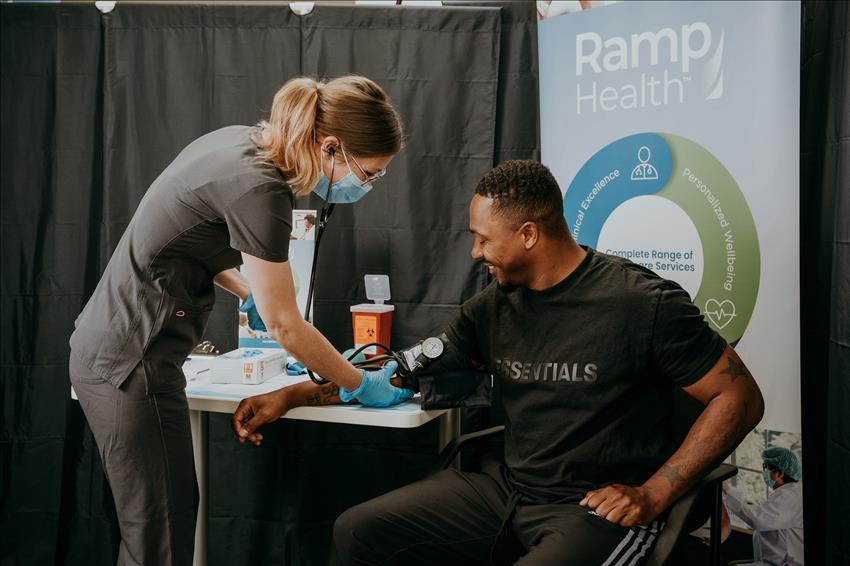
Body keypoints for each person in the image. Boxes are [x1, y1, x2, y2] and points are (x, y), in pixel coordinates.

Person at [231, 160, 766, 565]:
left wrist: (656, 492)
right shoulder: (492, 307)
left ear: (529, 233)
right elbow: (396, 373)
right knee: (357, 529)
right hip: (508, 489)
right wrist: (294, 395)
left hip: (597, 506)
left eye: (483, 238)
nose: (474, 253)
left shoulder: (641, 303)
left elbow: (739, 397)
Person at [68, 75, 413, 566]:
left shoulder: (241, 143)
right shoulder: (262, 189)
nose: (369, 185)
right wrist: (359, 382)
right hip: (131, 360)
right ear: (332, 147)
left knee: (164, 519)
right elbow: (286, 327)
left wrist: (249, 289)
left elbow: (185, 239)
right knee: (159, 534)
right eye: (370, 173)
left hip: (120, 349)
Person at [724, 447, 803, 566]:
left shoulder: (789, 498)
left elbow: (758, 519)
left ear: (779, 473)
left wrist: (728, 490)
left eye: (765, 467)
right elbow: (766, 516)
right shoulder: (786, 494)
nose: (763, 471)